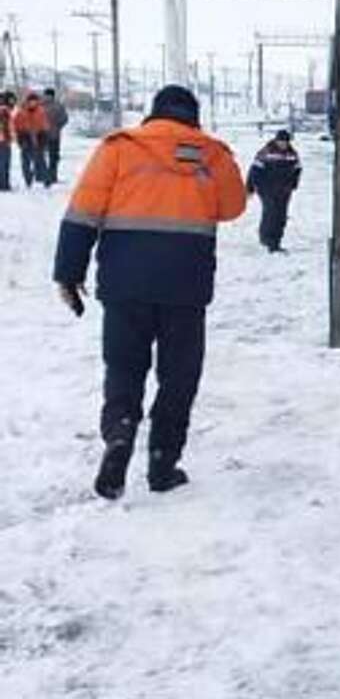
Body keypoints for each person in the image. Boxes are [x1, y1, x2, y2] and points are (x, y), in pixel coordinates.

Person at [54, 85, 246, 499]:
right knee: (179, 376)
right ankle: (162, 463)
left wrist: (68, 274)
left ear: (153, 114)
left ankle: (120, 434)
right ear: (193, 117)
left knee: (123, 368)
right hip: (186, 287)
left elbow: (82, 213)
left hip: (124, 286)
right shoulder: (212, 154)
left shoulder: (119, 148)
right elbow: (233, 208)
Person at [245, 131, 302, 252]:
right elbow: (254, 170)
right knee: (271, 213)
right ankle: (268, 239)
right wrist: (250, 188)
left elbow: (297, 169)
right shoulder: (266, 152)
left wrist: (293, 184)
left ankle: (276, 239)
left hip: (284, 190)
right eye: (281, 142)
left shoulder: (292, 154)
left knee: (281, 215)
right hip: (266, 188)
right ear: (276, 141)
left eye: (285, 142)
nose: (283, 144)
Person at [14, 90, 52, 188]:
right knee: (25, 162)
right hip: (25, 137)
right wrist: (20, 139)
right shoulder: (21, 112)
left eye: (34, 101)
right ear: (27, 101)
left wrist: (44, 140)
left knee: (40, 160)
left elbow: (45, 126)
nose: (32, 103)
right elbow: (16, 127)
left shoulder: (41, 111)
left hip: (38, 138)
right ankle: (28, 179)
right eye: (31, 101)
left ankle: (46, 179)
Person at [42, 88, 69, 180]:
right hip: (41, 135)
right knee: (40, 156)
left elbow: (65, 118)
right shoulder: (40, 106)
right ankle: (43, 174)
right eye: (45, 95)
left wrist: (57, 125)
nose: (46, 97)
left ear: (52, 96)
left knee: (54, 156)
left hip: (54, 135)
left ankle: (52, 175)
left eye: (48, 95)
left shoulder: (58, 106)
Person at [0, 92, 15, 193]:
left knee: (4, 163)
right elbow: (7, 127)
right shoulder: (4, 111)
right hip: (3, 141)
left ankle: (4, 183)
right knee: (4, 163)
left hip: (5, 140)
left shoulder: (6, 111)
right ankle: (4, 184)